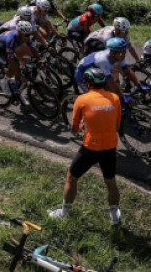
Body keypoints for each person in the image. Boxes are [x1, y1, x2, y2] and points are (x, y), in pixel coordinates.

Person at [49, 67, 123, 226]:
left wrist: (83, 127)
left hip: (90, 148)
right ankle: (115, 216)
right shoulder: (115, 99)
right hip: (110, 147)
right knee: (110, 181)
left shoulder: (82, 100)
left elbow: (75, 129)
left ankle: (65, 212)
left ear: (88, 83)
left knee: (72, 177)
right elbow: (116, 127)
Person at [74, 38, 146, 95]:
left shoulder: (119, 56)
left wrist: (139, 85)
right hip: (82, 74)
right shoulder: (103, 60)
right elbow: (110, 82)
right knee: (95, 98)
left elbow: (128, 72)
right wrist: (121, 97)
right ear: (112, 52)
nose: (123, 55)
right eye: (121, 53)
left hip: (98, 74)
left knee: (110, 94)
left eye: (124, 52)